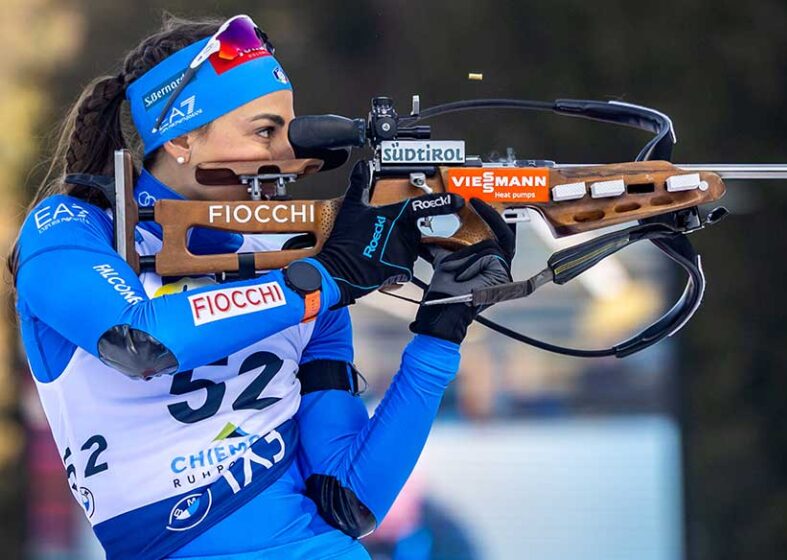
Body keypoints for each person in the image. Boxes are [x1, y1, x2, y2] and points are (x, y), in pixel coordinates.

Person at [8, 13, 515, 560]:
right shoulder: (70, 229)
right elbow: (138, 340)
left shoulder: (297, 265)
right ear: (182, 137)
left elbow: (349, 500)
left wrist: (441, 327)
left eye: (291, 132)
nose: (286, 153)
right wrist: (324, 280)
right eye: (265, 131)